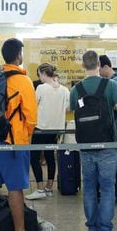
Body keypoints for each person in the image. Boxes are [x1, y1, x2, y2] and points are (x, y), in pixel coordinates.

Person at [0, 38, 43, 231]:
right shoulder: (22, 81)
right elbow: (31, 118)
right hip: (13, 143)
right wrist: (24, 138)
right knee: (15, 188)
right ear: (18, 54)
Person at [70, 50, 117, 231]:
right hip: (107, 146)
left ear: (82, 65)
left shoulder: (76, 90)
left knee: (88, 187)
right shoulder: (110, 85)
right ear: (98, 64)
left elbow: (74, 112)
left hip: (86, 146)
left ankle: (92, 228)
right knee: (107, 188)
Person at [25, 63, 69, 200]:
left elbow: (33, 105)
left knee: (34, 157)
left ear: (43, 73)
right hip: (56, 128)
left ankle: (39, 188)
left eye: (39, 74)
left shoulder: (41, 88)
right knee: (50, 156)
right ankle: (49, 187)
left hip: (41, 128)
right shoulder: (65, 90)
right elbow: (67, 108)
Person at [99, 55, 117, 203]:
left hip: (115, 126)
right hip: (114, 125)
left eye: (99, 68)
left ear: (105, 67)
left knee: (116, 158)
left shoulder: (116, 83)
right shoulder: (114, 81)